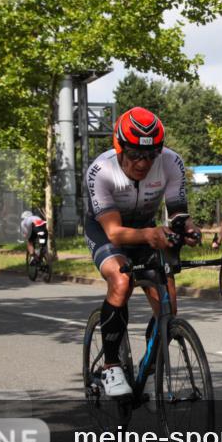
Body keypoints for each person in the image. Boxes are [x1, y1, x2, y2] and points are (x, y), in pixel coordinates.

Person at [84, 107, 200, 397]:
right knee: (121, 281)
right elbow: (115, 232)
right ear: (119, 147)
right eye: (135, 154)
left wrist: (188, 229)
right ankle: (111, 366)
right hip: (107, 231)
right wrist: (150, 235)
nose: (143, 162)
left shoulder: (171, 162)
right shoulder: (101, 171)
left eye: (151, 154)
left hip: (147, 229)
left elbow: (178, 213)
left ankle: (149, 371)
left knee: (168, 307)